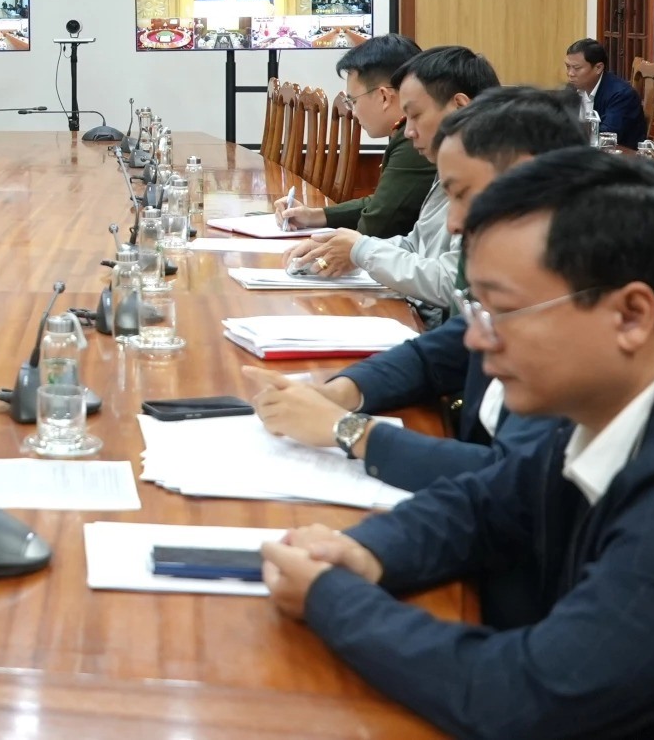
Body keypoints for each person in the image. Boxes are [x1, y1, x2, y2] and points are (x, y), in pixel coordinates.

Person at [261, 150, 654, 738]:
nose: (475, 340)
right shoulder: (614, 399)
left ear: (631, 316)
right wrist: (365, 553)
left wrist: (330, 597)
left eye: (504, 311)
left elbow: (524, 698)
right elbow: (484, 504)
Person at [247, 87, 587, 494]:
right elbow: (434, 356)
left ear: (525, 176)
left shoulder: (582, 298)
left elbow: (515, 479)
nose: (454, 224)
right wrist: (337, 393)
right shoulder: (518, 274)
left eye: (462, 195)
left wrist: (347, 430)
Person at [284, 46, 499, 312]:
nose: (408, 132)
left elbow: (452, 284)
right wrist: (351, 251)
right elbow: (415, 243)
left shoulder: (495, 178)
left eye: (415, 116)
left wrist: (362, 251)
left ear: (460, 107)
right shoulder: (450, 163)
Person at [278, 34, 431, 238]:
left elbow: (376, 227)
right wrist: (315, 215)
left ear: (384, 97)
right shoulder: (406, 132)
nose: (354, 113)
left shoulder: (414, 138)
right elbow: (382, 203)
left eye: (353, 102)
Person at [564, 37, 647, 148]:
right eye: (568, 67)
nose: (570, 73)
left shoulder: (621, 95)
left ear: (598, 68)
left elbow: (606, 136)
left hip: (619, 155)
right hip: (583, 151)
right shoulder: (572, 88)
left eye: (576, 68)